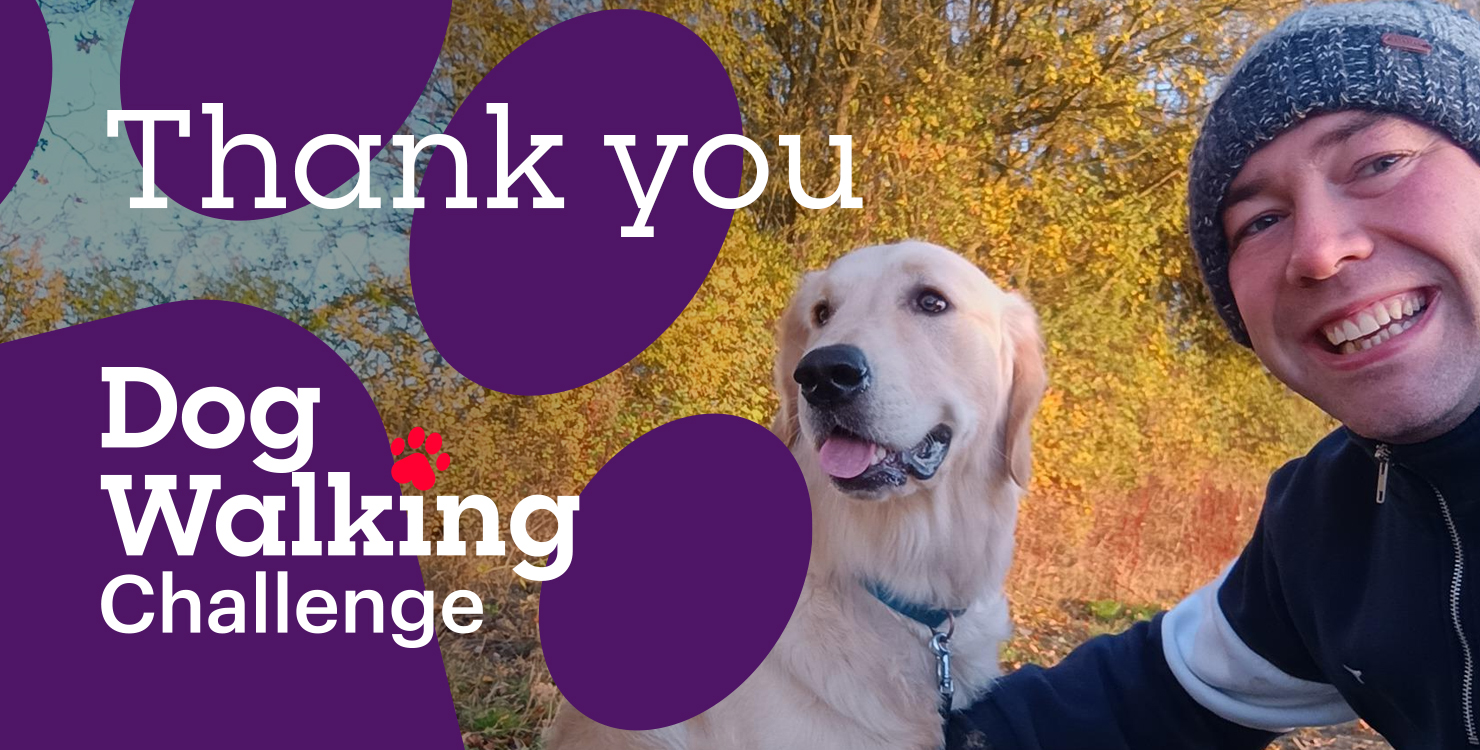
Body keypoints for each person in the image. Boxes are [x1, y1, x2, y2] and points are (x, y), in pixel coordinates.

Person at [945, 1, 1480, 747]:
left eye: (1379, 163)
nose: (1320, 251)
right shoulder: (1331, 520)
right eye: (1260, 221)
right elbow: (1147, 700)